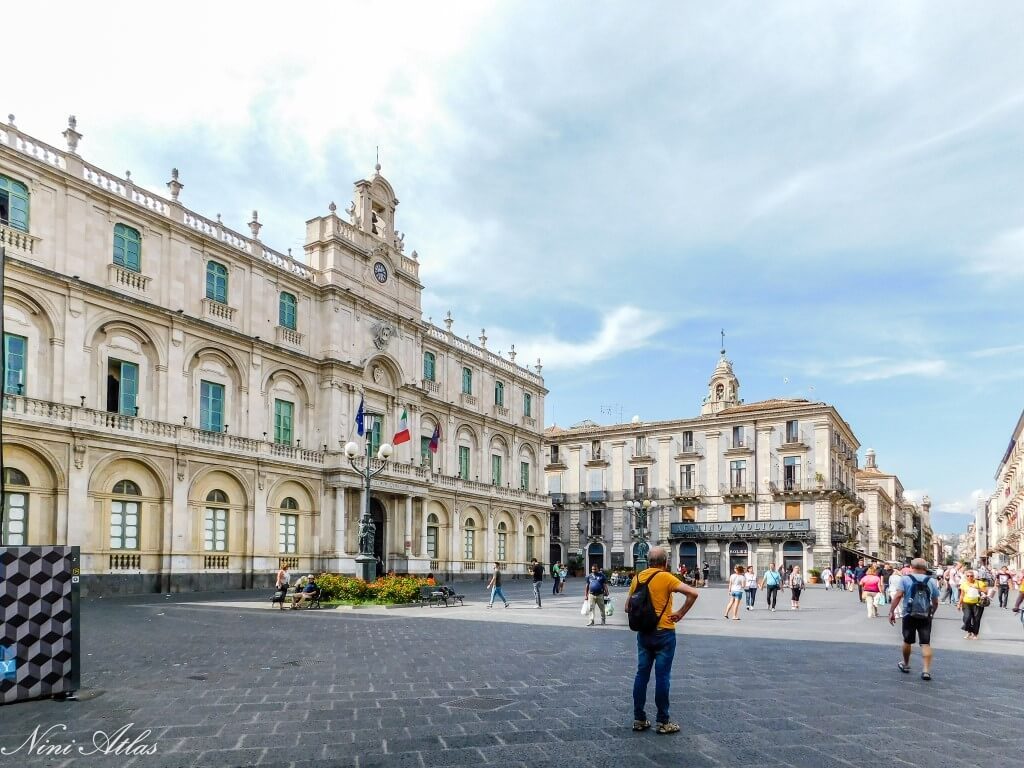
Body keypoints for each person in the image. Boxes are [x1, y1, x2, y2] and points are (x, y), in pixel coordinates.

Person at [626, 546, 699, 735]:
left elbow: (627, 607)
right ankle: (663, 722)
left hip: (644, 633)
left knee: (641, 675)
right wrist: (681, 613)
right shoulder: (666, 577)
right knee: (662, 677)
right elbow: (693, 593)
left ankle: (639, 719)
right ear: (665, 562)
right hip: (664, 632)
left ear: (648, 561)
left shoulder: (638, 578)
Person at [890, 557, 940, 680]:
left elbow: (898, 596)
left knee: (907, 641)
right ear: (925, 569)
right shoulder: (931, 581)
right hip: (925, 615)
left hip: (909, 614)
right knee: (925, 643)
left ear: (912, 567)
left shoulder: (905, 579)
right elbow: (935, 601)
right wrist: (932, 612)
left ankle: (906, 664)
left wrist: (892, 611)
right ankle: (926, 671)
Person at [958, 570, 992, 639]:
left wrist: (977, 588)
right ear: (965, 577)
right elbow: (962, 595)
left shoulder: (979, 583)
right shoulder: (964, 584)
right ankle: (969, 631)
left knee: (976, 619)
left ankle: (975, 634)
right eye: (968, 576)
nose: (969, 577)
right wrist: (959, 603)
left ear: (974, 576)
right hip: (966, 603)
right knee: (967, 617)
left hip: (977, 603)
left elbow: (986, 591)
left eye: (971, 576)